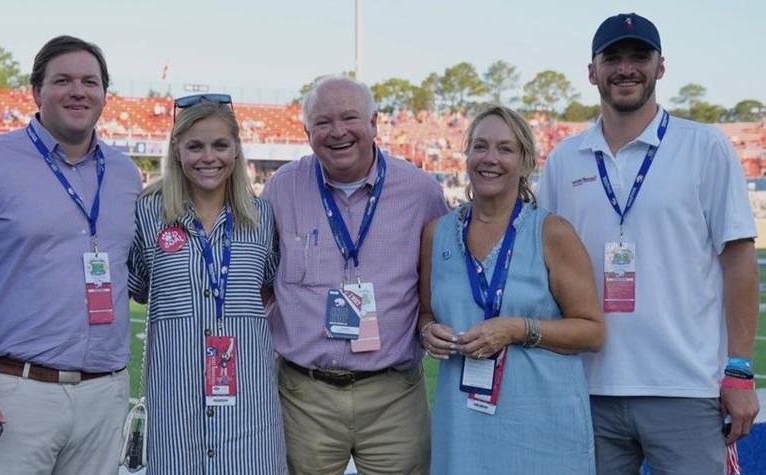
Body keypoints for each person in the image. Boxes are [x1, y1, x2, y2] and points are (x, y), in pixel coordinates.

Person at [537, 13, 760, 475]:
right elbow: (541, 267)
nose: (626, 68)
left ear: (660, 67)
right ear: (592, 71)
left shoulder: (704, 147)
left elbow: (738, 262)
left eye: (639, 56)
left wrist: (738, 370)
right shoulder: (563, 159)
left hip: (684, 385)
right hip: (587, 387)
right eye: (612, 58)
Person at [0, 35, 141, 475]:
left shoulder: (124, 174)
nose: (78, 91)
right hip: (15, 391)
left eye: (90, 81)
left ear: (104, 94)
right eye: (62, 80)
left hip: (105, 393)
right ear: (36, 91)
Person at [262, 75, 448, 474]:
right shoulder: (281, 189)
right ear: (307, 131)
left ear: (375, 123)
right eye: (324, 122)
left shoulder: (421, 192)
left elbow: (441, 283)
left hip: (392, 394)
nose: (338, 132)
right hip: (304, 395)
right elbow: (260, 281)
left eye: (349, 118)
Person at [419, 105, 604, 474]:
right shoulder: (436, 233)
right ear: (467, 155)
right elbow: (426, 311)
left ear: (525, 163)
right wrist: (427, 331)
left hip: (542, 426)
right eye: (481, 146)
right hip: (464, 427)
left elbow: (592, 330)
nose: (490, 159)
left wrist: (518, 329)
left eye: (505, 149)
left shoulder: (552, 233)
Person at [128, 95, 285, 473]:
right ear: (177, 150)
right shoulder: (148, 213)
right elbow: (137, 288)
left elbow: (267, 287)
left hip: (250, 405)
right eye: (195, 146)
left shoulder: (262, 217)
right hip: (175, 406)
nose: (208, 157)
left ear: (236, 150)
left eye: (220, 145)